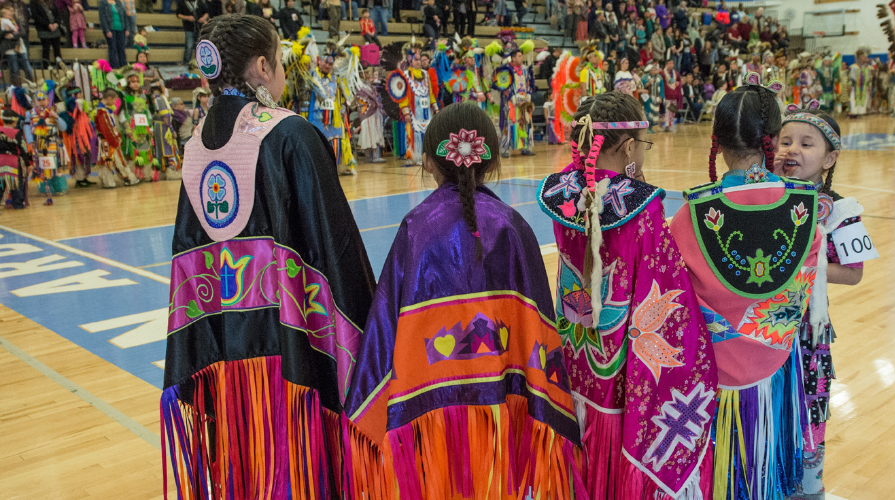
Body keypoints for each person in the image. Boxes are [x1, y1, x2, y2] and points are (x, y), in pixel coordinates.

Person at [162, 14, 375, 500]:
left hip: (228, 359)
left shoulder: (195, 146)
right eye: (278, 63)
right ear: (261, 67)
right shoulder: (290, 134)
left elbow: (189, 256)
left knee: (247, 468)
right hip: (291, 355)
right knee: (300, 471)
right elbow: (333, 246)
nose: (280, 74)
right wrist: (372, 321)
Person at [344, 102, 584, 500]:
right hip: (501, 417)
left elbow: (386, 335)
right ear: (491, 159)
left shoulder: (416, 231)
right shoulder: (512, 226)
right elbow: (537, 335)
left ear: (428, 162)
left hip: (432, 424)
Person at [538, 91, 717, 499]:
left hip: (578, 343)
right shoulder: (638, 204)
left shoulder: (562, 192)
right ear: (630, 146)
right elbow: (662, 291)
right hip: (617, 365)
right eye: (644, 146)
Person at [669, 74, 822, 500]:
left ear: (716, 139)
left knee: (720, 477)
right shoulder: (804, 208)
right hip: (773, 370)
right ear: (771, 139)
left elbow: (678, 301)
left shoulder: (690, 215)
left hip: (713, 374)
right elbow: (797, 296)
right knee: (760, 472)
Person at [772, 104, 875, 500]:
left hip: (806, 334)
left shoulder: (840, 211)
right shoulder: (763, 194)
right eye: (785, 140)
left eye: (805, 143)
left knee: (805, 406)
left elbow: (853, 272)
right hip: (754, 326)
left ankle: (806, 487)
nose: (791, 150)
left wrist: (801, 264)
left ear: (830, 157)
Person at [307, 42, 357, 175]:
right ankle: (319, 171)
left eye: (330, 64)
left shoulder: (335, 78)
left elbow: (340, 97)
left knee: (336, 144)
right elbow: (320, 93)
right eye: (325, 62)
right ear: (320, 61)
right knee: (319, 145)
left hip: (334, 118)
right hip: (318, 117)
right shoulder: (312, 74)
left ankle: (333, 170)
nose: (327, 66)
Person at [496, 48, 535, 157]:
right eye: (519, 56)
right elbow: (504, 86)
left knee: (525, 123)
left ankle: (525, 147)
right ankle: (505, 149)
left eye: (521, 56)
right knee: (509, 124)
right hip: (511, 103)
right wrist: (515, 100)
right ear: (513, 58)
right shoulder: (506, 71)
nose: (521, 58)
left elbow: (529, 85)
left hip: (524, 102)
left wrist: (527, 98)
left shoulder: (525, 71)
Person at [0, 6, 33, 81]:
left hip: (19, 44)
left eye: (13, 11)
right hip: (9, 47)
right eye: (10, 11)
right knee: (14, 68)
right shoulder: (1, 21)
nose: (12, 13)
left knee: (26, 66)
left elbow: (22, 32)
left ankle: (31, 83)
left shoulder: (15, 21)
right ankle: (16, 87)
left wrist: (13, 35)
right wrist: (5, 32)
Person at [32, 0, 63, 68]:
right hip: (44, 30)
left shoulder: (51, 2)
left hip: (55, 29)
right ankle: (47, 67)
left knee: (57, 50)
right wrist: (47, 24)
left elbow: (58, 13)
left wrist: (56, 23)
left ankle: (60, 66)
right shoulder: (34, 2)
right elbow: (36, 16)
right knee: (46, 49)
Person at [848, 48, 872, 117]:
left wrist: (869, 85)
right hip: (855, 87)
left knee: (863, 99)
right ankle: (855, 113)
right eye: (864, 56)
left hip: (864, 87)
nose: (865, 58)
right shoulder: (854, 66)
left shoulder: (867, 67)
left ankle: (861, 113)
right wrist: (849, 85)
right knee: (854, 99)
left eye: (866, 57)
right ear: (860, 57)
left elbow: (869, 77)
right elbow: (851, 77)